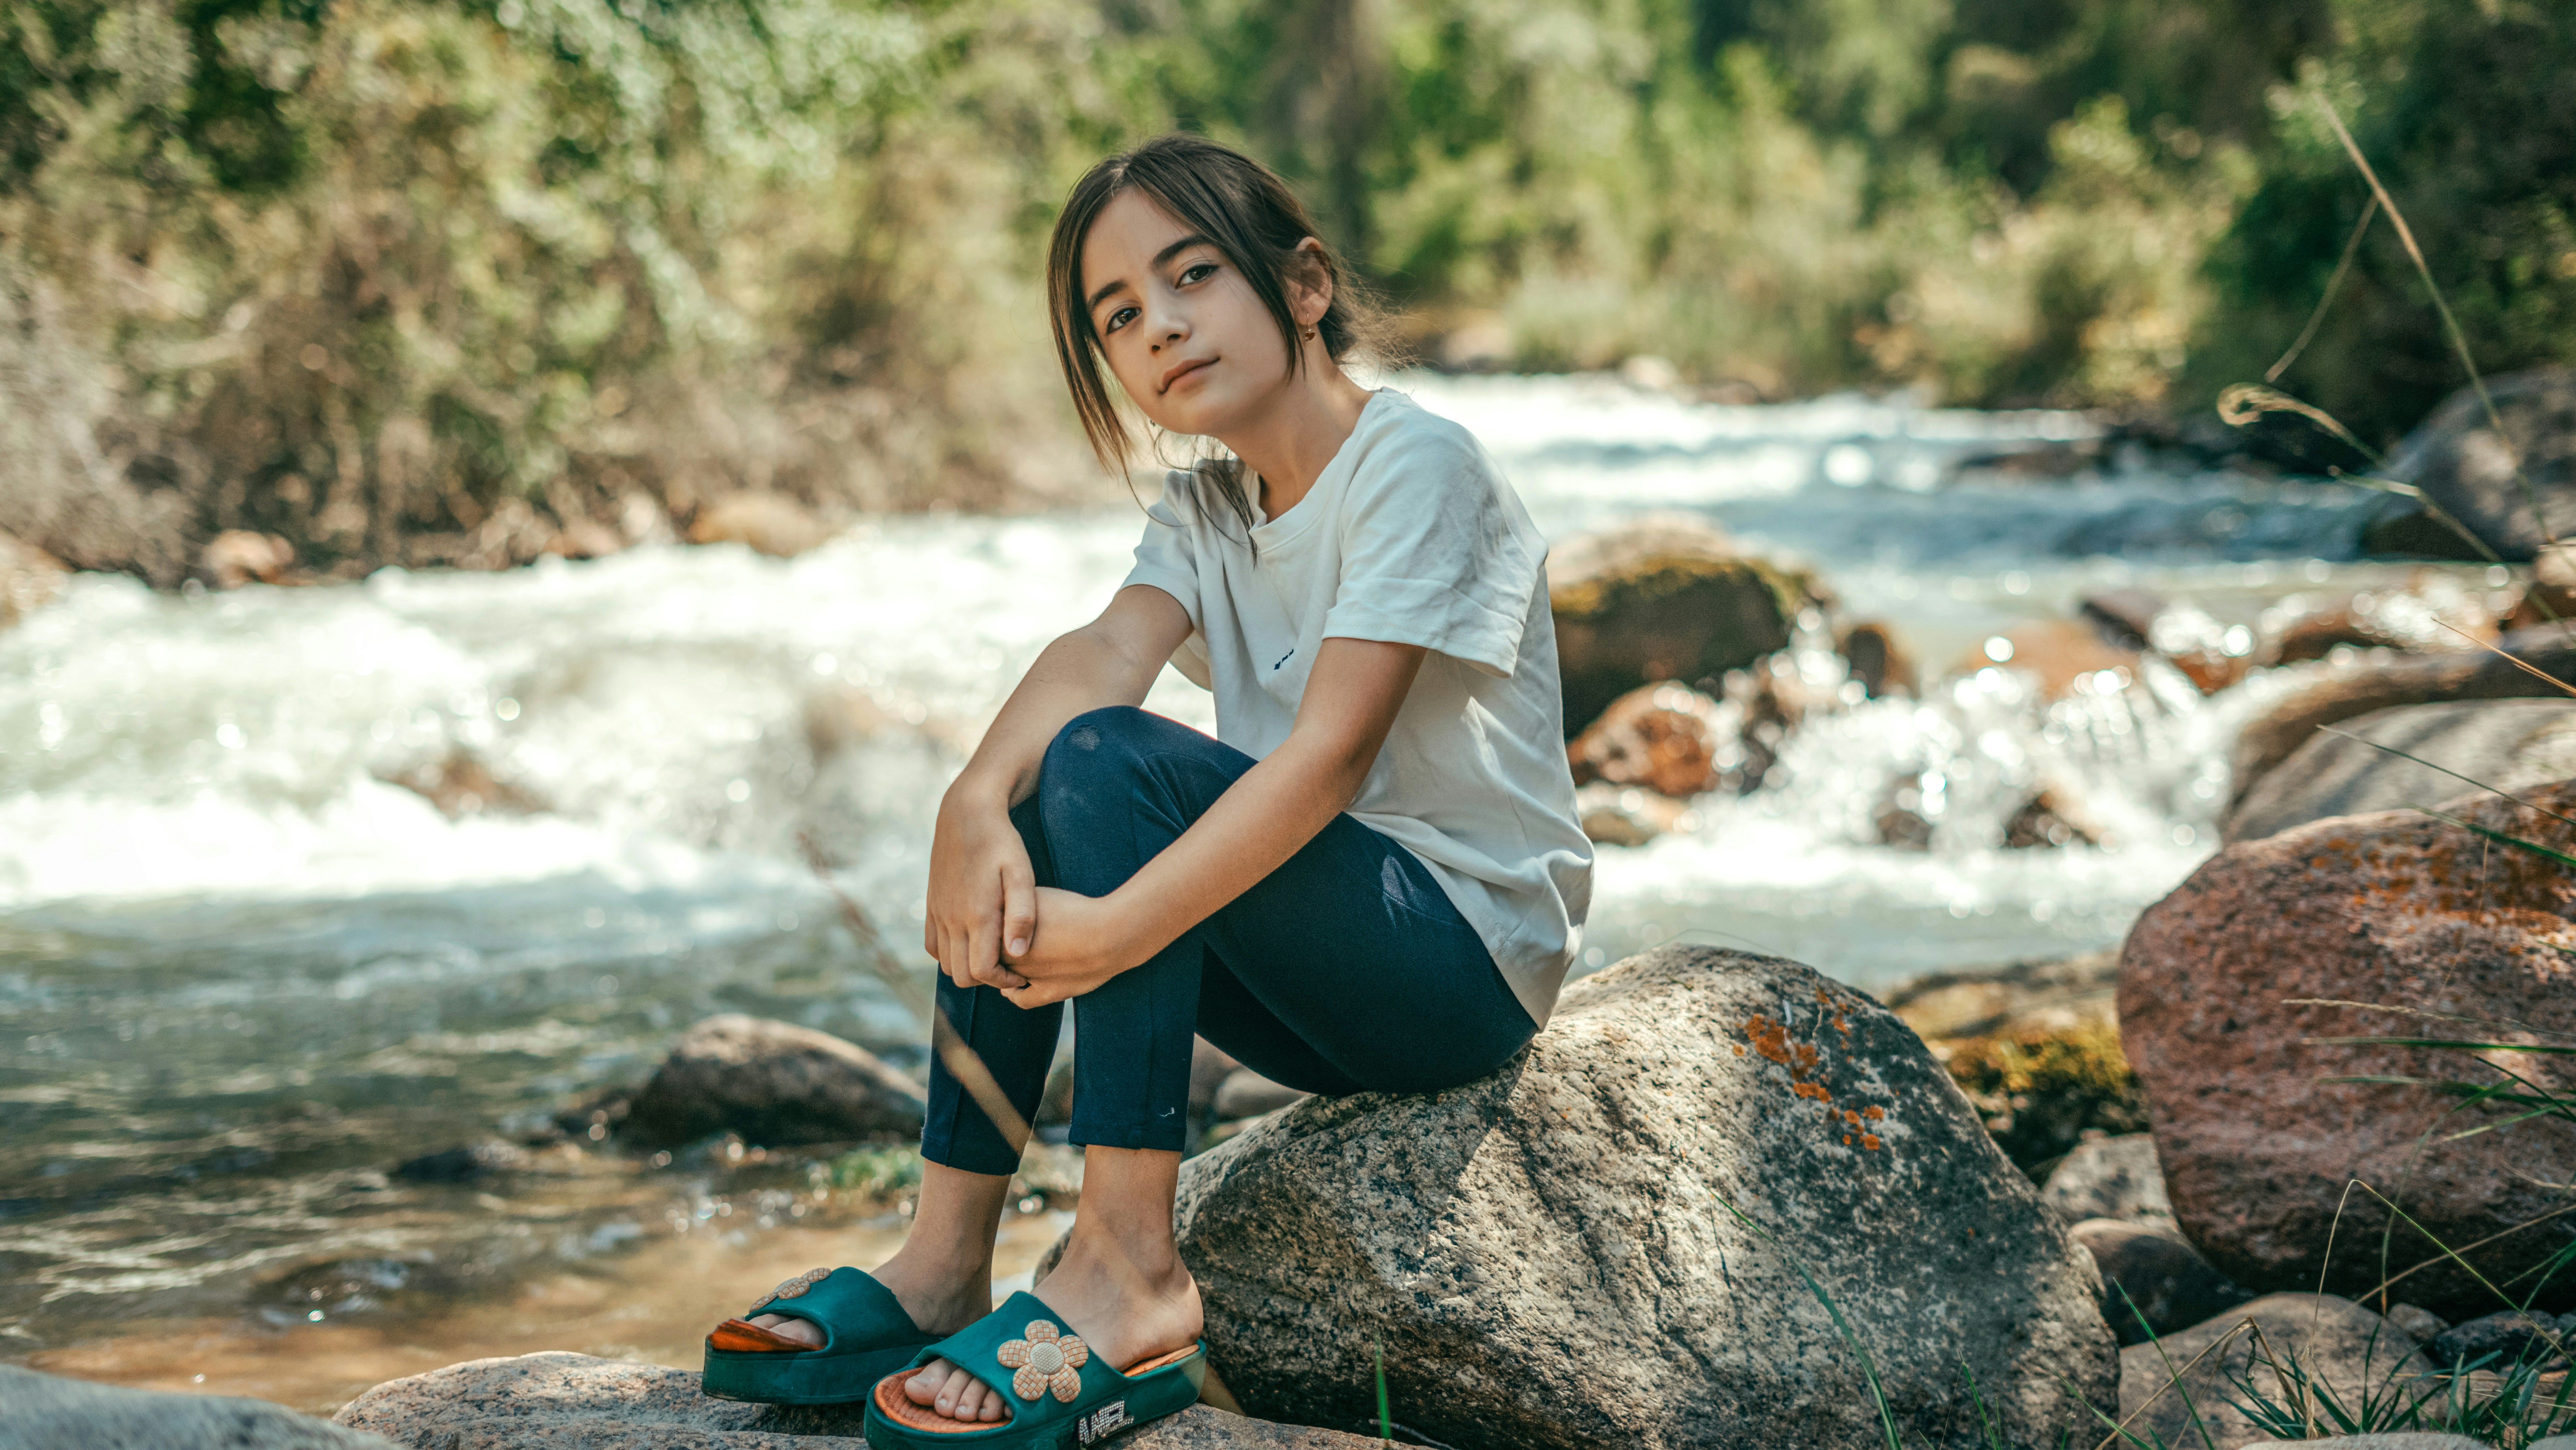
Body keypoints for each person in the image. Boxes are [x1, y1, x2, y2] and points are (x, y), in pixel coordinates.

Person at [700, 132, 1592, 1448]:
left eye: (1191, 277)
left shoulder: (1417, 464)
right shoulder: (1213, 506)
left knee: (1105, 766)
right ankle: (944, 1259)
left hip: (1456, 968)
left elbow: (1329, 758)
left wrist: (1118, 930)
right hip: (1323, 969)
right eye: (1121, 314)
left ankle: (1130, 1268)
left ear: (1300, 287)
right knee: (1049, 777)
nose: (1161, 326)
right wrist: (968, 802)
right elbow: (1105, 653)